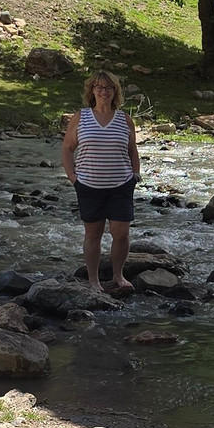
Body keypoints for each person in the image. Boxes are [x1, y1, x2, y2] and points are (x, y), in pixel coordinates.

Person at [61, 70, 141, 291]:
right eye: (99, 87)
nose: (103, 91)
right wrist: (73, 177)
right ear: (92, 90)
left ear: (115, 91)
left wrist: (135, 175)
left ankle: (118, 275)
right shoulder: (81, 117)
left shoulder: (125, 120)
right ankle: (94, 280)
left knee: (121, 233)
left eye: (108, 88)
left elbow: (132, 150)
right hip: (88, 185)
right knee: (93, 233)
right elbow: (67, 149)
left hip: (121, 185)